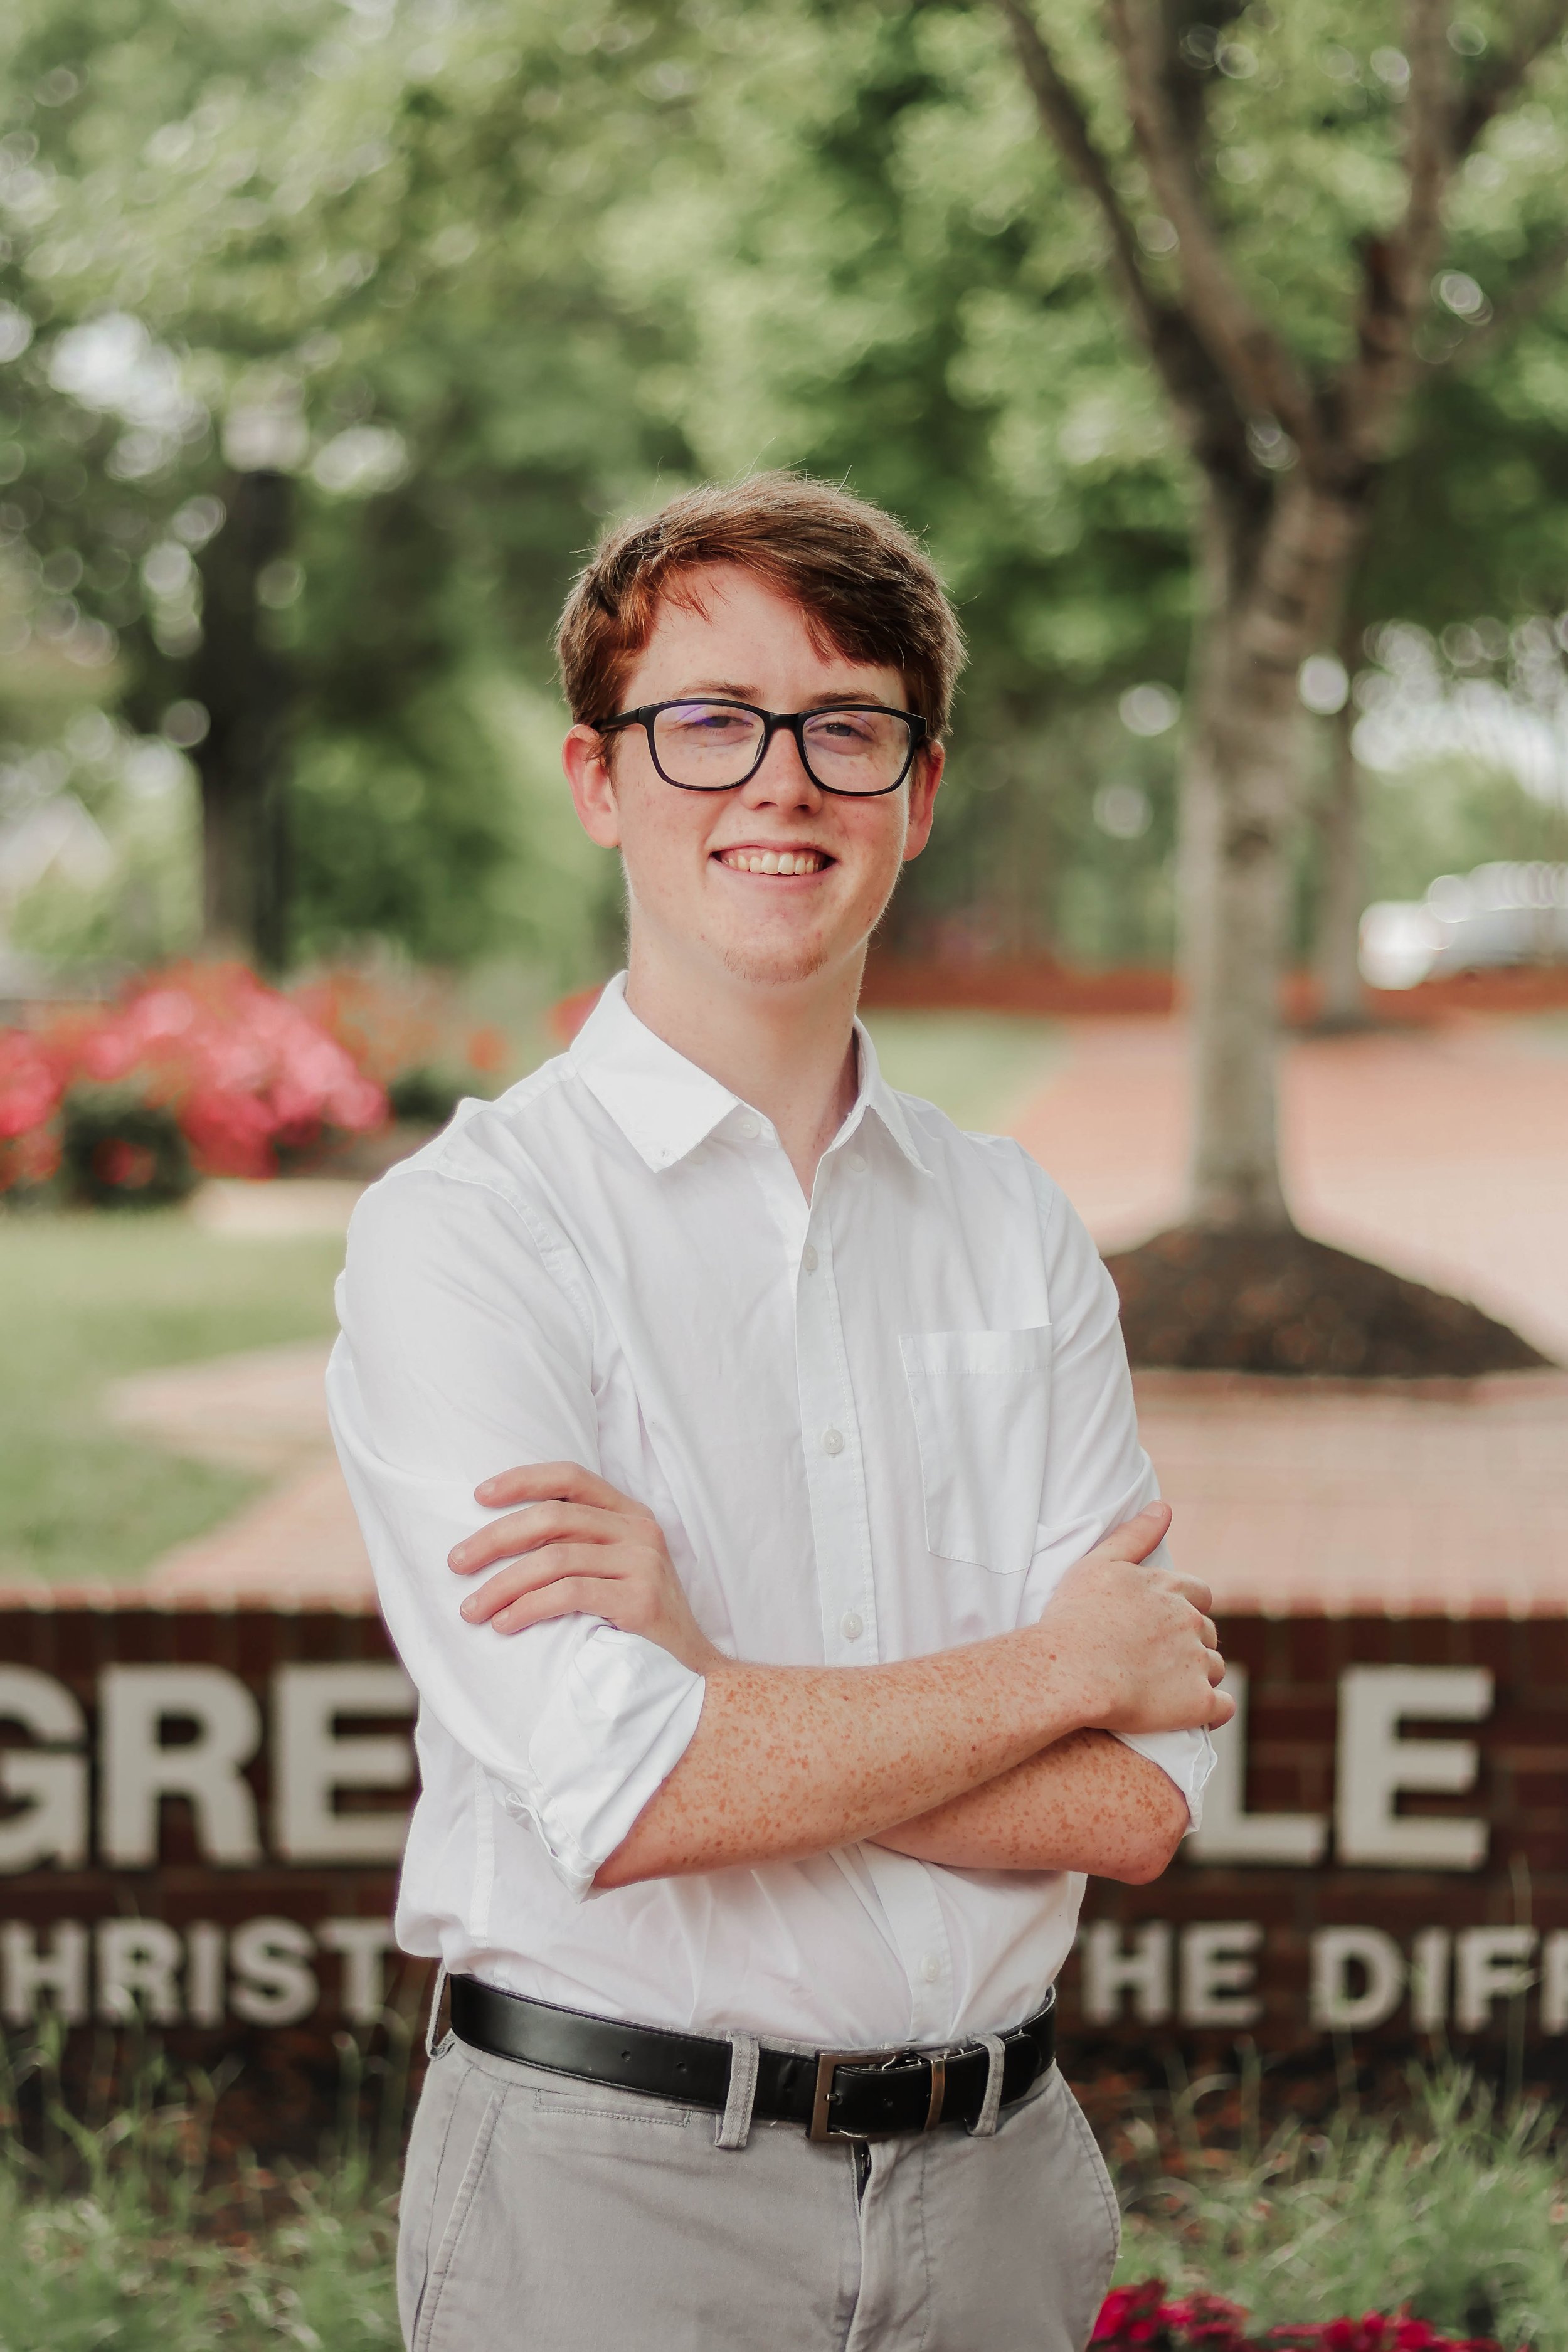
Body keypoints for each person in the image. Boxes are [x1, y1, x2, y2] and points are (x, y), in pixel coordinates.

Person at [327, 473, 1232, 2352]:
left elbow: (1143, 1802)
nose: (779, 781)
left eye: (846, 727)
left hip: (998, 2199)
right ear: (600, 782)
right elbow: (633, 1787)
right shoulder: (468, 1236)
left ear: (917, 791)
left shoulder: (1014, 1225)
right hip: (612, 2200)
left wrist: (713, 1676)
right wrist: (1045, 1673)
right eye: (708, 722)